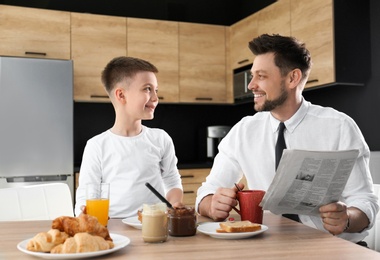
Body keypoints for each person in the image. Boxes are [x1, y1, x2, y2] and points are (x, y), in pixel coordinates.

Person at [196, 34, 379, 243]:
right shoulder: (243, 131)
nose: (251, 85)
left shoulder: (339, 127)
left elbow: (365, 202)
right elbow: (207, 192)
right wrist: (212, 204)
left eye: (261, 76)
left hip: (333, 247)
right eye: (252, 76)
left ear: (292, 78)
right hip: (270, 246)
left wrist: (346, 219)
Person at [75, 56, 183, 218]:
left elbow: (172, 181)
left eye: (156, 90)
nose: (155, 98)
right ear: (121, 95)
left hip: (155, 223)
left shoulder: (160, 139)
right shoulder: (97, 145)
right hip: (114, 227)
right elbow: (86, 194)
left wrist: (175, 204)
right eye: (147, 89)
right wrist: (84, 212)